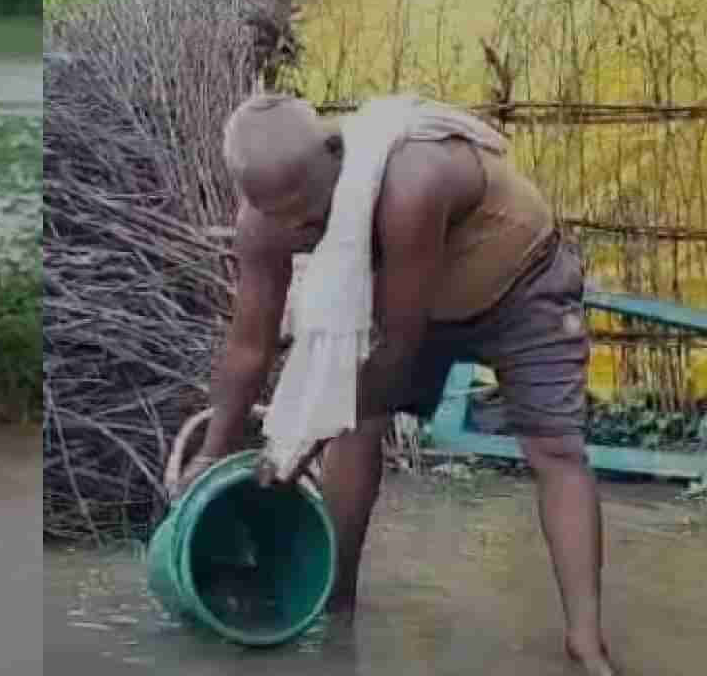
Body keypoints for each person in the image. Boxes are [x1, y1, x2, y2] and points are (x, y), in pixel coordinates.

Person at [171, 93, 617, 676]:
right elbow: (249, 346)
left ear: (336, 150)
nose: (299, 230)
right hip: (415, 302)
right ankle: (333, 604)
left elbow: (396, 349)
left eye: (307, 213)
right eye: (278, 217)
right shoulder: (267, 221)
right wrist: (212, 452)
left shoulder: (414, 179)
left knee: (556, 448)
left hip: (518, 286)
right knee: (356, 428)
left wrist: (298, 444)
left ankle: (586, 644)